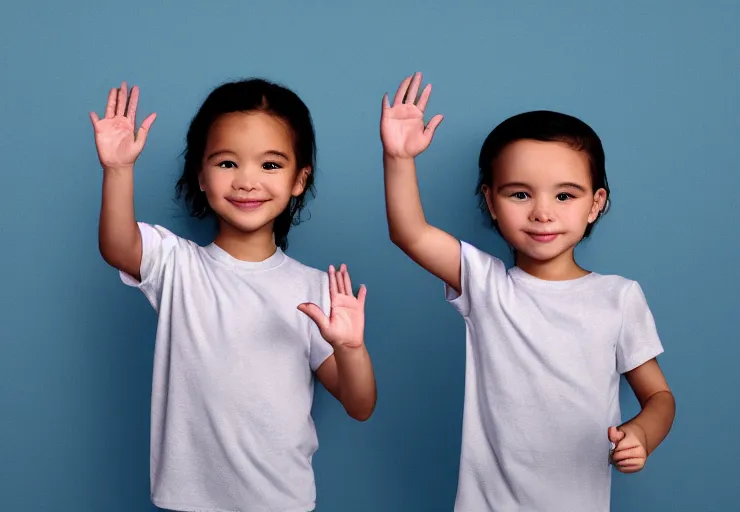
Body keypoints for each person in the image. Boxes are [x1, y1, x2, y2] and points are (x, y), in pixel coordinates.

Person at [379, 72, 675, 511]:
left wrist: (642, 434)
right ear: (491, 202)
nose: (542, 213)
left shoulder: (619, 297)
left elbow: (659, 397)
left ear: (595, 204)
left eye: (565, 195)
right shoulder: (485, 284)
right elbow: (410, 233)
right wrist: (399, 158)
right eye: (520, 194)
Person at [91, 79, 377, 512]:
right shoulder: (176, 264)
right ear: (201, 176)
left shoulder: (315, 287)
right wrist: (117, 169)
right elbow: (117, 245)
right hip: (190, 500)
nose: (247, 181)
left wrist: (351, 347)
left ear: (300, 179)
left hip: (283, 499)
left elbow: (359, 405)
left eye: (270, 165)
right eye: (227, 163)